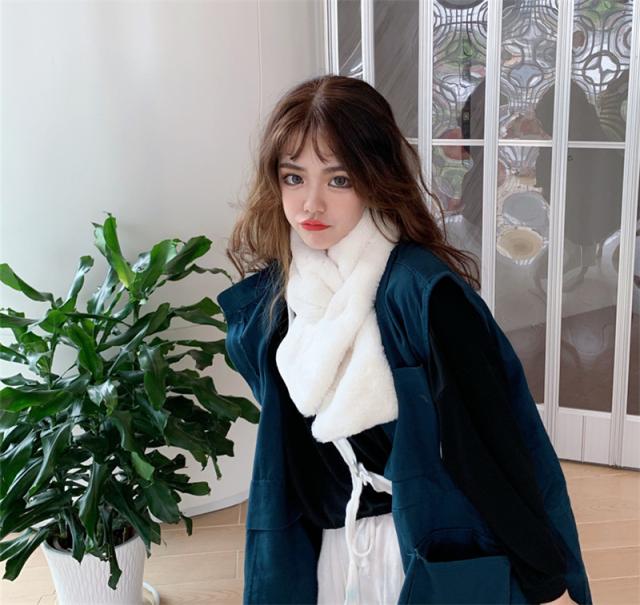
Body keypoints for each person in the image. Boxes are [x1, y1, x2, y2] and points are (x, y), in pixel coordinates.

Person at [219, 75, 591, 605]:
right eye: (293, 177)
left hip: (419, 544)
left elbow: (492, 443)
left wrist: (542, 570)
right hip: (326, 549)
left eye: (339, 179)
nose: (311, 205)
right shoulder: (278, 302)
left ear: (375, 178)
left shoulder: (424, 294)